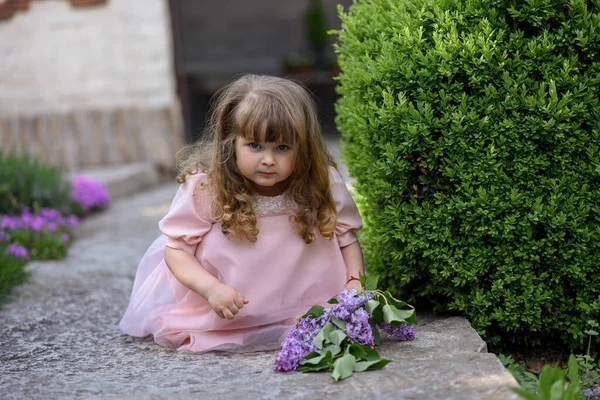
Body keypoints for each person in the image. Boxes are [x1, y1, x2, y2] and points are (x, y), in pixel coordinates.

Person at [119, 74, 364, 353]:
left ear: (303, 147)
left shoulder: (321, 182)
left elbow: (346, 238)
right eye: (255, 146)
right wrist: (212, 289)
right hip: (231, 308)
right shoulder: (208, 186)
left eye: (282, 148)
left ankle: (297, 318)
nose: (269, 160)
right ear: (230, 142)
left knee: (321, 326)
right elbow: (177, 251)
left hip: (307, 303)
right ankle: (243, 321)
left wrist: (355, 286)